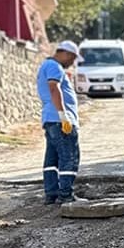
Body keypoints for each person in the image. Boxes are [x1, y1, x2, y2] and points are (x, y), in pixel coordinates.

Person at [36, 40, 83, 205]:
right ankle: (65, 194)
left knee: (52, 158)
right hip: (59, 120)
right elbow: (54, 88)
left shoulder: (47, 65)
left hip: (50, 119)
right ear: (66, 54)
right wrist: (64, 116)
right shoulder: (54, 67)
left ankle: (52, 193)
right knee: (69, 155)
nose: (72, 63)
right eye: (72, 58)